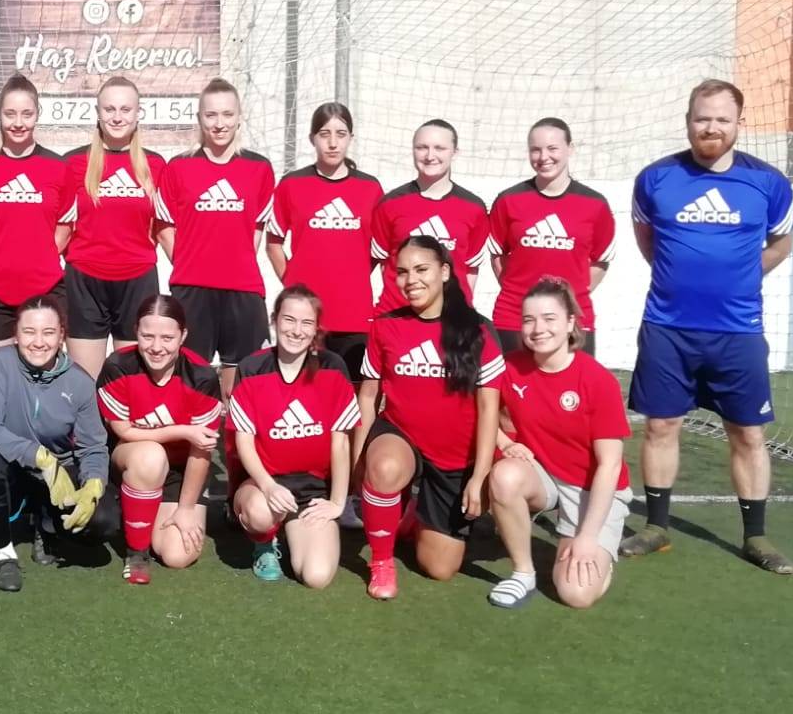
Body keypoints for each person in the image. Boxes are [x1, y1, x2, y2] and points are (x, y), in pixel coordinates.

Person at [622, 80, 793, 574]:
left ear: (739, 123)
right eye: (703, 118)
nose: (711, 127)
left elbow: (781, 244)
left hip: (738, 331)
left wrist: (739, 279)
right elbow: (647, 240)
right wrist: (681, 280)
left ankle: (756, 536)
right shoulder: (656, 179)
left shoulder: (769, 183)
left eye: (722, 119)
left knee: (748, 433)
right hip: (667, 327)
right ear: (688, 121)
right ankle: (656, 527)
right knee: (661, 426)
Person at [355, 236, 504, 600]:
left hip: (454, 457)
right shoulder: (385, 326)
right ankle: (382, 561)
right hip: (401, 435)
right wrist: (359, 461)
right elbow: (369, 397)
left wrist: (479, 476)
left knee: (439, 568)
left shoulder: (479, 330)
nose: (411, 280)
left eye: (421, 269)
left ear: (445, 272)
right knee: (385, 468)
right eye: (402, 272)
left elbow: (489, 409)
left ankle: (409, 516)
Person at [484, 279, 632, 611]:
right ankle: (523, 573)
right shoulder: (510, 368)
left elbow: (609, 466)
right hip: (544, 475)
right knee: (505, 476)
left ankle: (600, 551)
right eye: (529, 320)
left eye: (549, 318)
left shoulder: (598, 380)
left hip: (592, 489)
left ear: (570, 323)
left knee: (576, 594)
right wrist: (505, 443)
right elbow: (479, 412)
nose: (538, 329)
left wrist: (587, 537)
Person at [0, 294, 112, 592]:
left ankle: (47, 527)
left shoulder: (80, 382)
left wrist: (94, 484)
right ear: (16, 335)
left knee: (103, 522)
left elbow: (94, 447)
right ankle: (4, 554)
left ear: (61, 336)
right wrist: (39, 457)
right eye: (29, 332)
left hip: (59, 476)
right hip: (13, 468)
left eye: (48, 332)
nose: (38, 342)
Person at [228, 285, 361, 589]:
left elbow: (341, 442)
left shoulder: (333, 367)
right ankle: (264, 543)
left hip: (312, 489)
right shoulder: (252, 367)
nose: (297, 331)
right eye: (289, 320)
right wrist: (268, 485)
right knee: (260, 513)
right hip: (263, 485)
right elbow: (244, 442)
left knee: (316, 577)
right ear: (274, 320)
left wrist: (337, 502)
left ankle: (291, 526)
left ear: (316, 328)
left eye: (306, 323)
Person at [153, 77, 275, 390]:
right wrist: (191, 262)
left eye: (227, 114)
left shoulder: (259, 168)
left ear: (239, 117)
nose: (219, 124)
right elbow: (164, 228)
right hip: (192, 289)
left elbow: (256, 231)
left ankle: (235, 425)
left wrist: (233, 263)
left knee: (247, 384)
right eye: (211, 115)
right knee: (190, 383)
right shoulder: (178, 167)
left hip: (243, 288)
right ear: (199, 118)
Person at [96, 294, 222, 585]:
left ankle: (144, 514)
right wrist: (183, 431)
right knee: (151, 455)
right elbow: (124, 431)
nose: (156, 347)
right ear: (135, 332)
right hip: (130, 459)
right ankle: (137, 553)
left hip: (180, 471)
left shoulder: (202, 376)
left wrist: (186, 509)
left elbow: (201, 449)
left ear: (183, 336)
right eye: (147, 336)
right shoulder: (118, 365)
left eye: (167, 338)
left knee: (177, 555)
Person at [0, 73, 77, 374]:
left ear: (37, 114)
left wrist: (37, 257)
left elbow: (65, 227)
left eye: (26, 114)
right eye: (10, 114)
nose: (18, 122)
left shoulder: (58, 167)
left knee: (44, 386)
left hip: (44, 293)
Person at [266, 102, 386, 376]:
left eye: (340, 134)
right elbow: (273, 243)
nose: (333, 143)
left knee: (352, 388)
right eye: (324, 134)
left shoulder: (370, 188)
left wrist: (353, 277)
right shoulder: (292, 184)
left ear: (351, 138)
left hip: (354, 313)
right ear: (312, 138)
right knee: (306, 387)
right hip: (306, 316)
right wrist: (294, 285)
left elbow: (380, 250)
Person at [60, 75, 166, 377]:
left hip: (137, 281)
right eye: (109, 109)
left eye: (125, 109)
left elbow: (162, 228)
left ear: (138, 113)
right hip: (84, 282)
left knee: (133, 384)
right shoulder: (72, 163)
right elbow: (61, 225)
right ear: (97, 112)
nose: (117, 117)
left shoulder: (156, 165)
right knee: (84, 384)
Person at [485, 118, 615, 356]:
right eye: (536, 149)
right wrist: (520, 292)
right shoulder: (508, 200)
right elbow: (497, 255)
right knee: (509, 382)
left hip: (573, 318)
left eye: (552, 148)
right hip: (514, 316)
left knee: (575, 381)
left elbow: (600, 260)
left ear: (570, 149)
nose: (543, 157)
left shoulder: (595, 204)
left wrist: (569, 296)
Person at [369, 118, 492, 316]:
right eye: (422, 147)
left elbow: (470, 269)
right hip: (398, 317)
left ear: (455, 152)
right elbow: (385, 264)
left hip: (451, 319)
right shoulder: (389, 204)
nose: (429, 156)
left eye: (439, 148)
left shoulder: (474, 208)